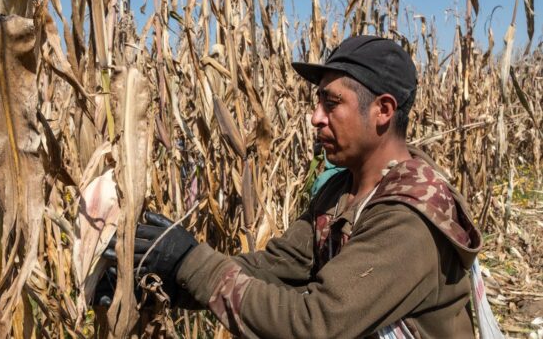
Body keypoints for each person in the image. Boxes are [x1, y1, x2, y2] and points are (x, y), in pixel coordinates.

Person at [99, 35, 482, 338]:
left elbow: (314, 325)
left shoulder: (408, 220)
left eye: (332, 103)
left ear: (383, 110)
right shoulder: (343, 191)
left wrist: (191, 261)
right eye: (317, 103)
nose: (315, 118)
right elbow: (276, 267)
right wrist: (168, 276)